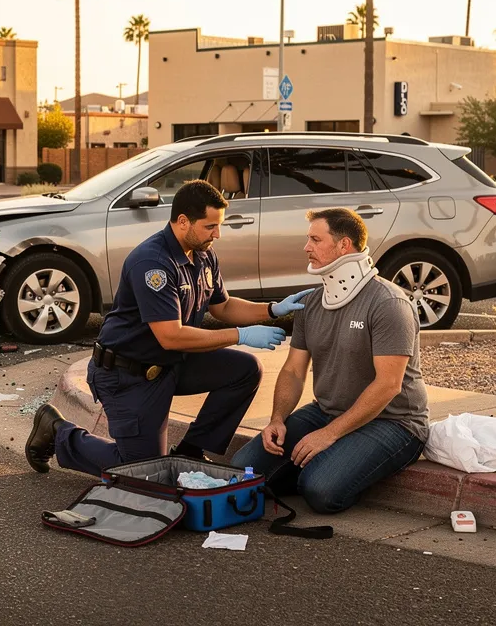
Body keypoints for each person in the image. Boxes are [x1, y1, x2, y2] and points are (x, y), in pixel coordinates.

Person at [25, 180, 313, 476]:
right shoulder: (153, 263)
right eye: (210, 226)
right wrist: (241, 335)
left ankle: (190, 451)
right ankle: (57, 431)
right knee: (146, 473)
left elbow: (223, 307)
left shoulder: (202, 253)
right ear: (183, 221)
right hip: (128, 374)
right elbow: (171, 336)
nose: (218, 234)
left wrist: (271, 309)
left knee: (245, 370)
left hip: (169, 365)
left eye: (219, 225)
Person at [229, 207, 429, 514]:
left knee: (320, 491)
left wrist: (330, 435)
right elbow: (294, 370)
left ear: (344, 246)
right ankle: (319, 464)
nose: (306, 247)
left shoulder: (388, 303)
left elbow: (388, 385)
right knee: (243, 470)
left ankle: (325, 468)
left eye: (315, 239)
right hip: (327, 411)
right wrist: (278, 419)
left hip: (394, 421)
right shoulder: (311, 303)